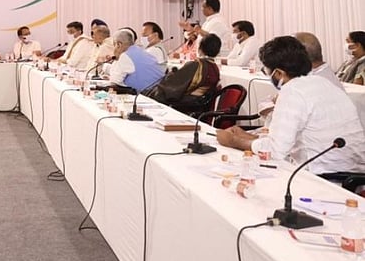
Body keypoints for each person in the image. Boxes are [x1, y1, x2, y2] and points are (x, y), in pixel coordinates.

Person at [216, 36, 365, 175]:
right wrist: (248, 137)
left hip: (322, 176)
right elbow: (289, 140)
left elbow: (275, 151)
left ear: (279, 73)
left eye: (267, 71)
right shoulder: (324, 83)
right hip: (350, 172)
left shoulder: (293, 90)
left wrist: (233, 141)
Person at [147, 34, 222, 115]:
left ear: (200, 48)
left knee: (155, 91)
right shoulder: (215, 67)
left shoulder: (196, 65)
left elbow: (173, 85)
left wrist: (170, 75)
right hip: (200, 103)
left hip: (188, 102)